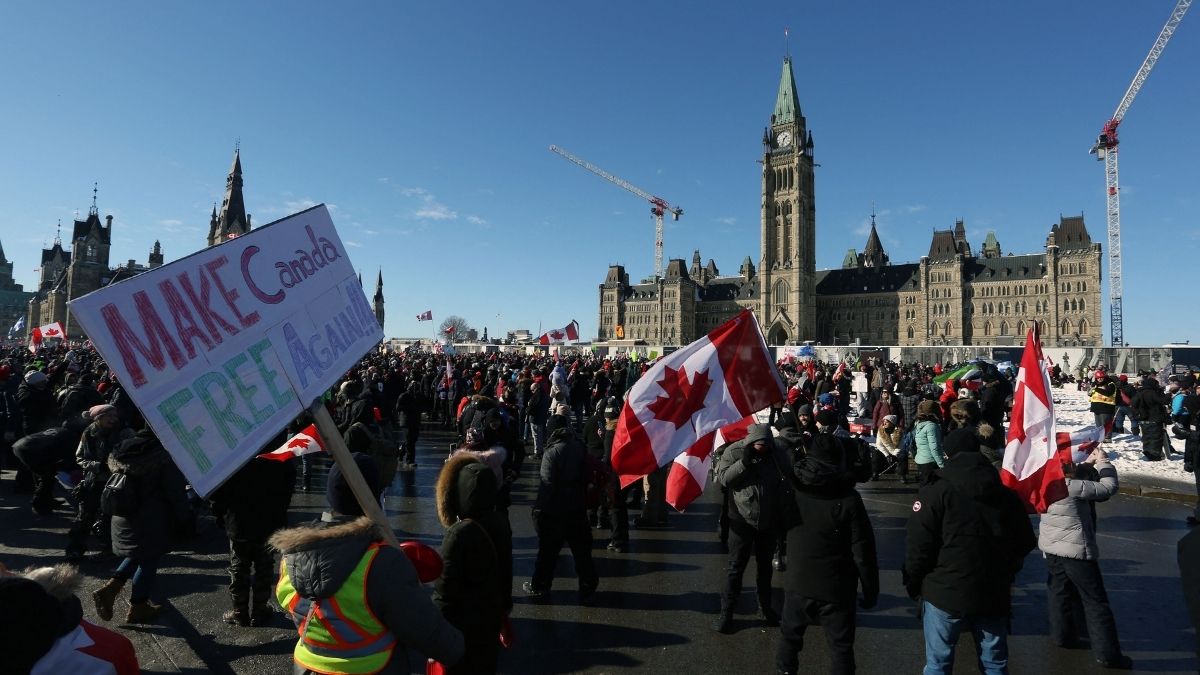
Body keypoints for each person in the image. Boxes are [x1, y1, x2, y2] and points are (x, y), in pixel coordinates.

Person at [271, 452, 464, 674]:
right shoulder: (381, 562)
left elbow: (290, 602)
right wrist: (457, 647)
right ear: (375, 497)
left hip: (307, 667)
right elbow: (425, 630)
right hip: (372, 668)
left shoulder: (290, 555)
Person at [904, 428, 1036, 675]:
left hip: (944, 588)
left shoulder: (936, 491)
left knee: (938, 664)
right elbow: (1024, 541)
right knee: (994, 663)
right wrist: (1007, 571)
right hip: (992, 588)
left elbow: (918, 545)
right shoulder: (1004, 494)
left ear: (948, 453)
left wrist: (914, 581)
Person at [776, 433, 878, 675]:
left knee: (790, 638)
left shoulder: (793, 488)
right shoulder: (848, 498)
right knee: (841, 647)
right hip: (836, 584)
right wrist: (871, 588)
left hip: (799, 578)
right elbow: (862, 548)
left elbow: (779, 526)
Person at [1039, 447, 1132, 669]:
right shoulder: (1070, 487)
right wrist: (1104, 462)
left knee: (1058, 593)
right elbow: (1108, 487)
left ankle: (1062, 636)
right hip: (1076, 551)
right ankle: (1108, 654)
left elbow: (1077, 479)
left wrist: (1088, 463)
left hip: (1051, 548)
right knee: (1095, 601)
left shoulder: (1044, 482)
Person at [91, 427, 193, 624]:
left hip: (123, 513)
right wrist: (184, 517)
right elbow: (175, 491)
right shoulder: (161, 457)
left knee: (137, 554)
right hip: (151, 517)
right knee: (148, 561)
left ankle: (110, 589)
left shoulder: (122, 450)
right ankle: (138, 606)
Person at [434, 453, 513, 675]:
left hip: (461, 625)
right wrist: (503, 609)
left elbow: (445, 590)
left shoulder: (459, 533)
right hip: (490, 617)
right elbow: (506, 571)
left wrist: (435, 631)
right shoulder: (500, 521)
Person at [713, 423, 793, 634]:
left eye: (766, 444)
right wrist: (744, 463)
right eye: (759, 445)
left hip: (769, 520)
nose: (762, 448)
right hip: (741, 519)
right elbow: (724, 478)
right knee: (735, 568)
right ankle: (727, 612)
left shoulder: (777, 454)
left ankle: (766, 609)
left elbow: (788, 477)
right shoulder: (734, 452)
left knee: (765, 568)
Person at [209, 451, 295, 627]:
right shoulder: (279, 454)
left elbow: (218, 489)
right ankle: (259, 610)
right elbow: (288, 486)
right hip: (269, 521)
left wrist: (219, 514)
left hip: (238, 521)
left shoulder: (234, 453)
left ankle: (240, 611)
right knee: (264, 567)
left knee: (239, 567)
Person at [523, 413, 599, 605]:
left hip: (555, 508)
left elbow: (546, 484)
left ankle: (540, 585)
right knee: (581, 551)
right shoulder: (579, 446)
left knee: (548, 552)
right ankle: (588, 585)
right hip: (577, 504)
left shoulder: (552, 452)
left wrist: (539, 509)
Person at [66, 404, 132, 561]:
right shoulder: (89, 433)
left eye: (114, 416)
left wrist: (117, 466)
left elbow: (133, 454)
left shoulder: (125, 432)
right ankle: (75, 549)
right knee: (84, 516)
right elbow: (80, 457)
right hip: (93, 481)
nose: (113, 419)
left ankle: (110, 549)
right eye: (108, 416)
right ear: (98, 418)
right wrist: (98, 466)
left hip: (116, 481)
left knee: (111, 517)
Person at [1131, 377, 1171, 461]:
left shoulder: (1139, 393)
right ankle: (1154, 454)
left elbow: (1133, 403)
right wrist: (1168, 394)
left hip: (1143, 419)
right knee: (1155, 438)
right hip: (1154, 418)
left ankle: (1147, 450)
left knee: (1146, 436)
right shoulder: (1152, 393)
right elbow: (1164, 401)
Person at [912, 399, 944, 482]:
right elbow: (934, 447)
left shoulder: (920, 423)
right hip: (930, 462)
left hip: (921, 460)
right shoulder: (931, 426)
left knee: (924, 488)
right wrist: (942, 464)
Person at [1089, 367, 1118, 441]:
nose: (1100, 379)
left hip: (1106, 407)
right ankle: (1100, 437)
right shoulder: (1095, 384)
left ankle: (1107, 437)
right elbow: (1091, 394)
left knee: (1105, 423)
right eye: (1098, 378)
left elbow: (1108, 393)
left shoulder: (1110, 384)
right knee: (1098, 424)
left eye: (1101, 378)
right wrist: (1090, 391)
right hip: (1096, 406)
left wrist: (1097, 389)